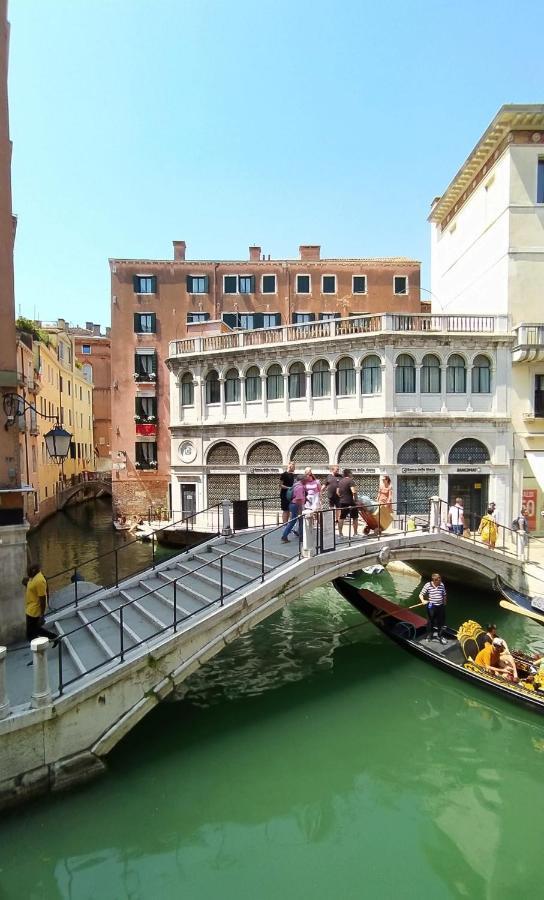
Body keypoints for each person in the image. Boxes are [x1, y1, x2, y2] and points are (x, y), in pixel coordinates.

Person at [24, 563, 57, 644]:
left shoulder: (39, 581)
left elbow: (42, 598)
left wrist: (42, 615)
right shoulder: (32, 578)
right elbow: (32, 588)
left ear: (34, 570)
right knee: (36, 629)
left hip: (35, 611)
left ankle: (39, 649)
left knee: (31, 635)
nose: (27, 573)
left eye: (28, 571)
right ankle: (54, 637)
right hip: (30, 608)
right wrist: (26, 583)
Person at [419, 572, 448, 644]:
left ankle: (440, 636)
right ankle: (430, 635)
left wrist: (444, 602)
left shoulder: (441, 584)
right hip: (431, 606)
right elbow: (421, 594)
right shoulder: (428, 585)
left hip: (440, 606)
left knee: (440, 622)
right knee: (430, 621)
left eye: (440, 579)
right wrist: (423, 600)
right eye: (438, 580)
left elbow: (444, 594)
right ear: (434, 580)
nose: (440, 581)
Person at [281, 476, 306, 542]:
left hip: (292, 504)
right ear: (302, 480)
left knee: (294, 520)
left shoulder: (295, 485)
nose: (306, 481)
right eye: (305, 479)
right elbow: (298, 499)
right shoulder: (300, 487)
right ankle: (300, 537)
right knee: (298, 520)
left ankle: (286, 536)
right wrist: (300, 510)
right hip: (296, 505)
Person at [337, 468, 358, 536]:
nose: (352, 474)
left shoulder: (340, 481)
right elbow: (353, 491)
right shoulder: (351, 481)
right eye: (351, 473)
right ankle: (355, 533)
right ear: (349, 474)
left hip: (342, 501)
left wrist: (342, 497)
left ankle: (340, 533)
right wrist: (356, 500)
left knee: (341, 517)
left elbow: (337, 492)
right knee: (355, 517)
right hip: (351, 502)